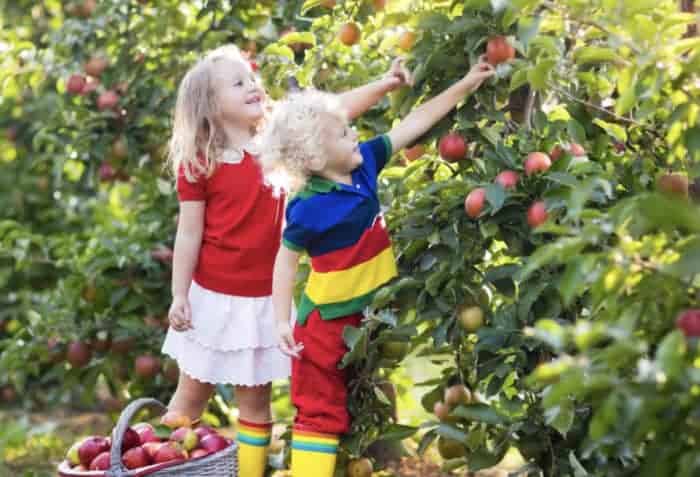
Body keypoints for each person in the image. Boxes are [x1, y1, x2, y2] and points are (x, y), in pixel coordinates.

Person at [161, 43, 412, 477]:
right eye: (237, 83)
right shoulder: (201, 162)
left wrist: (386, 84)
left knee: (255, 404)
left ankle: (249, 472)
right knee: (190, 394)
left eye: (251, 78)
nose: (252, 86)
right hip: (212, 299)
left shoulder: (276, 139)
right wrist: (179, 294)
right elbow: (188, 233)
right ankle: (160, 464)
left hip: (261, 301)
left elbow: (336, 110)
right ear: (210, 105)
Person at [261, 56, 495, 477]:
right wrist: (281, 321)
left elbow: (415, 123)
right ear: (314, 157)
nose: (355, 134)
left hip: (368, 316)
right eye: (343, 132)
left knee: (353, 400)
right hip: (325, 322)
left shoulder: (366, 162)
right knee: (319, 412)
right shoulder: (306, 208)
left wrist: (466, 82)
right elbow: (285, 262)